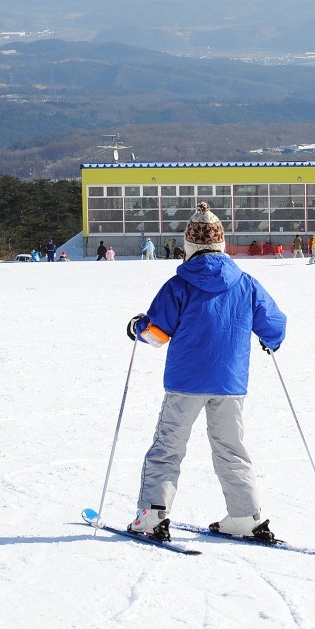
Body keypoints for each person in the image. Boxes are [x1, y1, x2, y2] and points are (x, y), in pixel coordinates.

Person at [125, 202, 288, 543]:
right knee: (231, 448)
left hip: (186, 382)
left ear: (190, 245)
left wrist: (139, 328)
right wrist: (270, 340)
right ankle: (246, 515)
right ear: (221, 243)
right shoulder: (246, 283)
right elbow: (274, 324)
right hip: (230, 382)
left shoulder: (179, 284)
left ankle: (153, 515)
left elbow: (158, 332)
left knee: (168, 447)